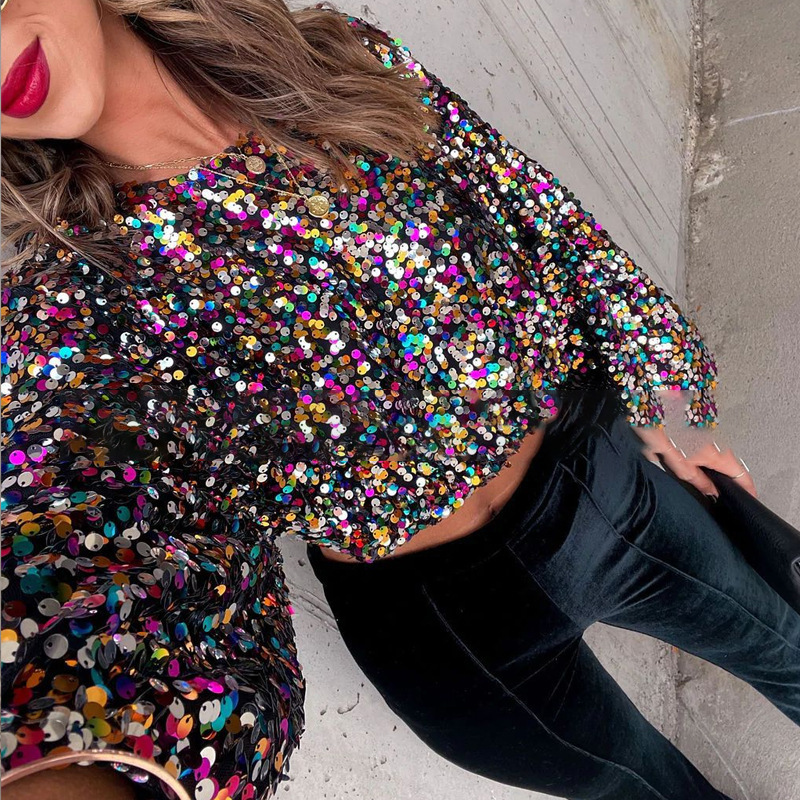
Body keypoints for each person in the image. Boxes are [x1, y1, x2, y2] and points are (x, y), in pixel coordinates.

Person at [1, 2, 797, 799]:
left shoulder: (335, 61)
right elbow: (73, 539)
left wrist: (665, 412)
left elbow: (548, 224)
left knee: (789, 648)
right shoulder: (70, 298)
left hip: (598, 480)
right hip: (450, 630)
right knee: (647, 790)